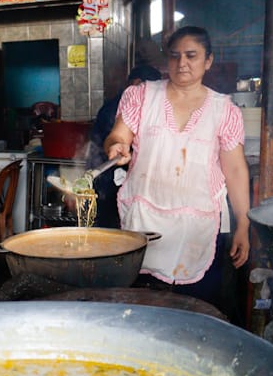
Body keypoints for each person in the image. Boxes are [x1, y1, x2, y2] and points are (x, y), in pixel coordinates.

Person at [104, 26, 250, 316]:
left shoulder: (225, 111)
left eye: (191, 56)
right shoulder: (141, 96)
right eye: (175, 56)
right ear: (166, 60)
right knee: (139, 309)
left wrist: (243, 225)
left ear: (208, 60)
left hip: (196, 226)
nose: (182, 63)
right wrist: (117, 146)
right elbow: (118, 135)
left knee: (195, 312)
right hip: (145, 221)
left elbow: (234, 170)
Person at [88, 64, 162, 228]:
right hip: (108, 177)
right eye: (151, 88)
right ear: (136, 83)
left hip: (116, 176)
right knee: (110, 225)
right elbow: (118, 143)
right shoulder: (115, 108)